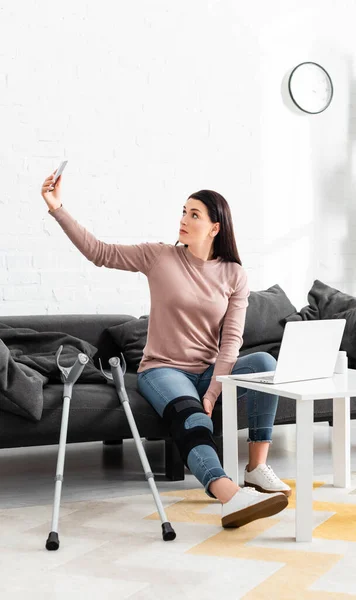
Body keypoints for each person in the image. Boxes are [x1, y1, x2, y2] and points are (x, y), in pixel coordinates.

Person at [41, 170, 291, 529]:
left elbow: (231, 340)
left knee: (265, 364)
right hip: (163, 369)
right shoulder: (159, 257)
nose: (184, 220)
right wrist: (57, 208)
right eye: (183, 211)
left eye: (194, 215)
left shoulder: (234, 275)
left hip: (208, 369)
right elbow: (98, 252)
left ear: (215, 228)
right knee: (192, 418)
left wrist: (215, 388)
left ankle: (256, 469)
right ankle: (228, 495)